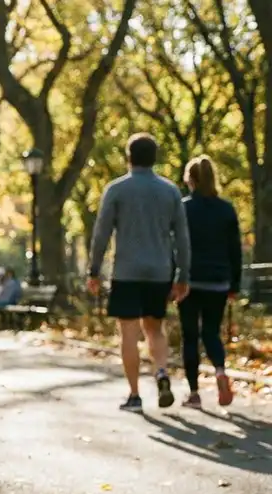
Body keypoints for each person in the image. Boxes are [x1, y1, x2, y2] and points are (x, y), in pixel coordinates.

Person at [88, 133, 191, 412]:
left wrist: (94, 270)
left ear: (128, 157)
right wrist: (183, 275)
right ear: (154, 158)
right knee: (155, 328)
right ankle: (161, 372)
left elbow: (101, 233)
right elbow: (182, 237)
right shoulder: (171, 191)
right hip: (159, 271)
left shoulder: (117, 189)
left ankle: (134, 395)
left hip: (127, 271)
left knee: (129, 334)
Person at [178, 155, 241, 408]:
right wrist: (235, 284)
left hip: (190, 281)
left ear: (190, 180)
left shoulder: (183, 208)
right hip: (218, 281)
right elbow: (235, 250)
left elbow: (176, 247)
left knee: (190, 336)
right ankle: (220, 371)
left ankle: (193, 393)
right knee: (211, 333)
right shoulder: (226, 209)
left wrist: (174, 279)